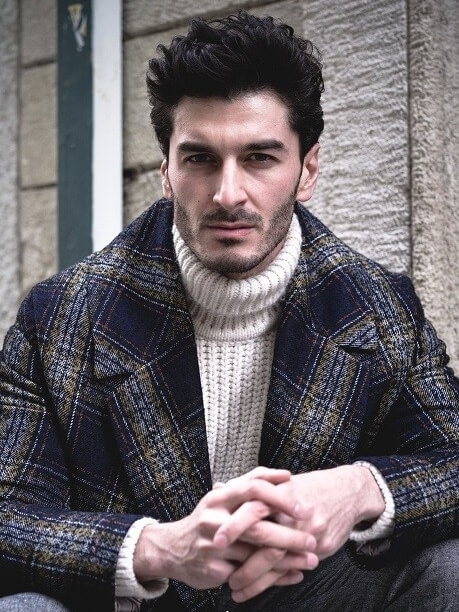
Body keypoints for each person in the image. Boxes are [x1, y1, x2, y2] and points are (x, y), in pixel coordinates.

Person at [0, 11, 458, 612]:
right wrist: (154, 548)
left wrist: (360, 489)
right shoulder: (60, 318)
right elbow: (9, 516)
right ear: (166, 170)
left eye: (260, 157)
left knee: (450, 568)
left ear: (307, 170)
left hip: (304, 597)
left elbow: (451, 458)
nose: (227, 194)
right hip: (139, 605)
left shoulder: (377, 307)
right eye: (199, 159)